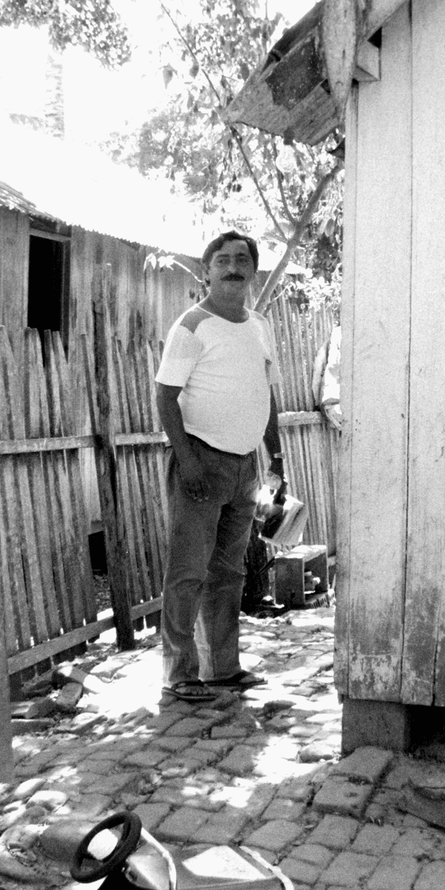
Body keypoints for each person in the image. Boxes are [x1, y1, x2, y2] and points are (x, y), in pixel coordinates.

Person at [154, 230, 284, 702]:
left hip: (245, 464)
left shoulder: (259, 325)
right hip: (201, 460)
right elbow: (166, 398)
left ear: (253, 270)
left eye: (242, 260)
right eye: (222, 260)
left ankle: (222, 668)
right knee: (187, 571)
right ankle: (179, 672)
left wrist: (277, 458)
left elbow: (265, 394)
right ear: (207, 270)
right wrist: (187, 463)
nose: (233, 267)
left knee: (229, 571)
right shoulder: (192, 325)